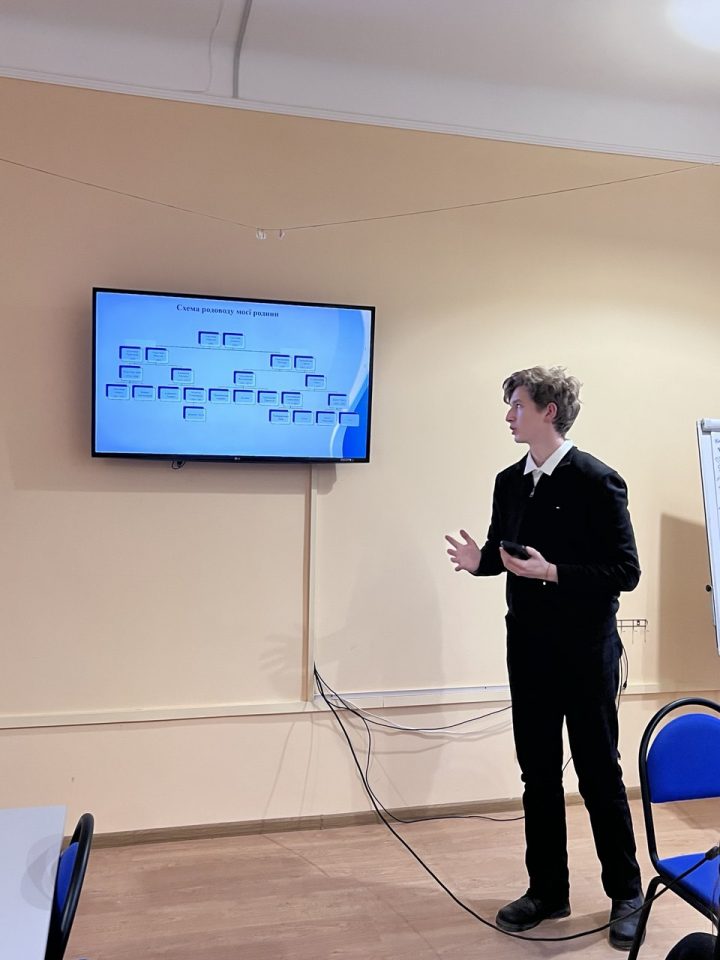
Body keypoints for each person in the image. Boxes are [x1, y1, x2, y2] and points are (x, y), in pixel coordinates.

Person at [446, 366, 643, 951]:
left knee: (598, 772)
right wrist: (479, 561)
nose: (509, 416)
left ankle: (627, 893)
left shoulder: (597, 480)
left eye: (517, 405)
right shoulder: (509, 481)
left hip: (585, 651)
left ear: (548, 411)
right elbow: (505, 553)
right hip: (528, 650)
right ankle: (548, 891)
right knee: (537, 773)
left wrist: (553, 572)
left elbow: (625, 571)